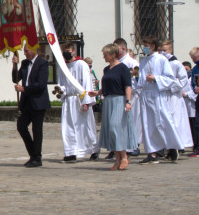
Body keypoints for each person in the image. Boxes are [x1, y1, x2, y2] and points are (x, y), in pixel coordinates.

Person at [134, 35, 182, 163]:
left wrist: (156, 78)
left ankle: (172, 147)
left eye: (146, 45)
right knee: (147, 124)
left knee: (162, 122)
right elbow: (141, 79)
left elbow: (170, 78)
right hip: (145, 95)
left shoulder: (161, 60)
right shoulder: (143, 61)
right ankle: (152, 152)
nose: (144, 48)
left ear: (153, 46)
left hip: (157, 94)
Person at [88, 43, 135, 171]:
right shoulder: (106, 69)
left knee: (116, 127)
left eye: (106, 55)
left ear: (113, 54)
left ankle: (124, 156)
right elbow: (107, 86)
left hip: (119, 100)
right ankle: (117, 159)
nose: (104, 57)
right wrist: (97, 92)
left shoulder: (123, 68)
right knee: (110, 130)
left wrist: (128, 101)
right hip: (108, 101)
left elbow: (127, 85)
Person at [54, 42, 97, 162]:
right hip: (68, 100)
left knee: (84, 126)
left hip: (80, 99)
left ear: (73, 51)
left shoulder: (81, 64)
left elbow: (87, 83)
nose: (66, 53)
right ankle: (71, 152)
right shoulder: (63, 66)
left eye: (68, 50)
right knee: (68, 127)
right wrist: (60, 90)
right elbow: (61, 82)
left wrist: (87, 102)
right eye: (64, 50)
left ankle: (93, 149)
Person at [13, 43, 50, 167]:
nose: (25, 53)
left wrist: (25, 89)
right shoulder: (24, 63)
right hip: (26, 102)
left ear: (34, 50)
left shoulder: (43, 64)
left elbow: (41, 84)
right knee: (21, 126)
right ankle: (33, 153)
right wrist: (14, 65)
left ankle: (37, 157)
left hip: (38, 101)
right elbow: (15, 78)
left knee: (37, 130)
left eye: (27, 50)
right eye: (24, 51)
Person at [160, 41, 193, 154]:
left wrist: (171, 87)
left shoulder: (176, 64)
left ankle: (178, 145)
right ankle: (167, 146)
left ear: (170, 50)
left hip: (174, 96)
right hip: (164, 95)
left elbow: (183, 80)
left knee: (176, 121)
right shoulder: (161, 63)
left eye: (165, 51)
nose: (163, 53)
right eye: (161, 51)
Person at [113, 38, 141, 156]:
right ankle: (122, 146)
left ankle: (134, 145)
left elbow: (137, 81)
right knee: (121, 122)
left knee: (132, 121)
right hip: (120, 95)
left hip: (132, 94)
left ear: (123, 49)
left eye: (116, 49)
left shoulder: (132, 63)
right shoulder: (116, 62)